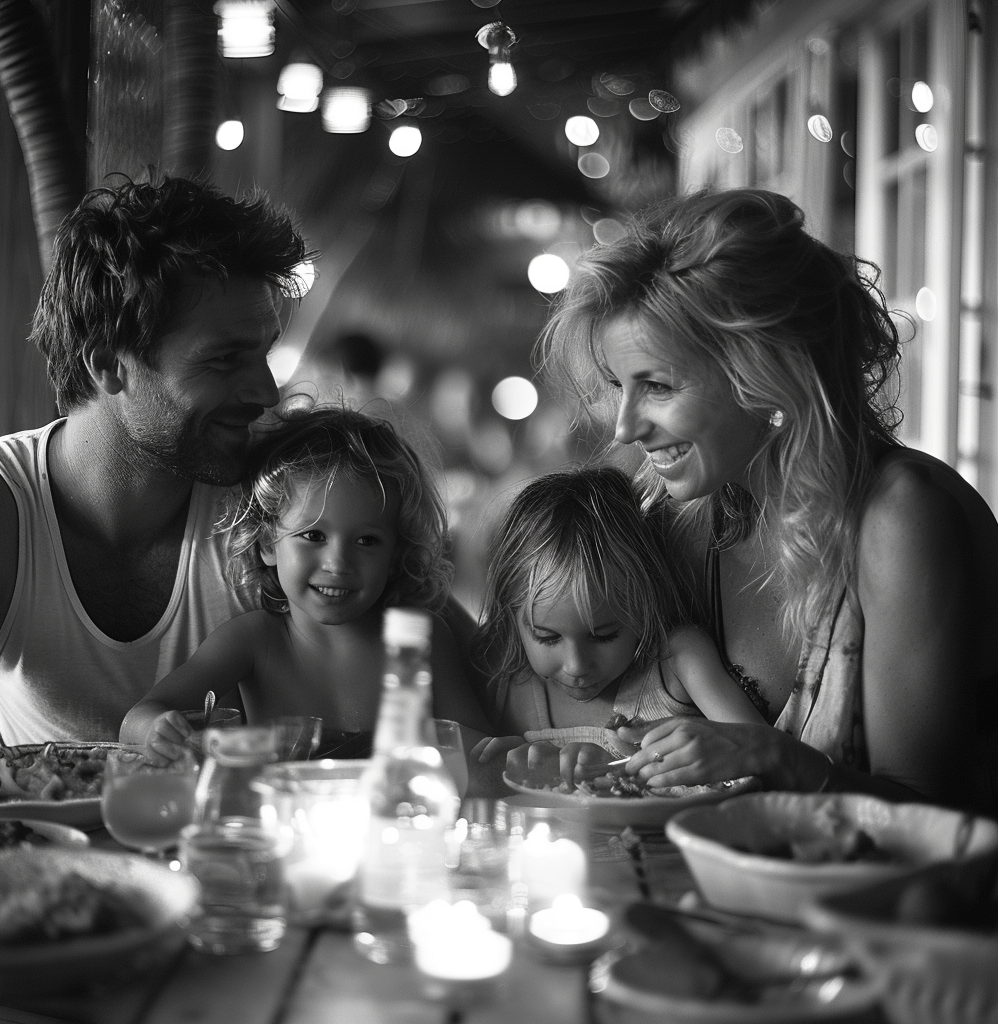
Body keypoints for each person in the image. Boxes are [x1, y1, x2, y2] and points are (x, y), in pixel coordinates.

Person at [535, 187, 998, 815]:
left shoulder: (902, 519)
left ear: (764, 369)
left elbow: (933, 817)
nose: (623, 428)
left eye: (658, 386)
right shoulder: (682, 515)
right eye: (619, 385)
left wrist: (771, 757)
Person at [0, 175, 311, 744]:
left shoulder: (284, 495)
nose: (267, 392)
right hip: (31, 832)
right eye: (226, 359)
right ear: (109, 365)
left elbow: (447, 647)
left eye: (264, 352)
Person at [121, 404, 492, 761]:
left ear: (396, 555)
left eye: (367, 541)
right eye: (313, 536)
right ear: (267, 543)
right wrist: (157, 728)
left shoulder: (418, 639)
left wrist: (504, 754)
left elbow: (474, 751)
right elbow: (139, 719)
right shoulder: (254, 641)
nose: (338, 563)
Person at [469, 466, 765, 785]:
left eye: (604, 636)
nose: (576, 665)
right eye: (547, 638)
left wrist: (614, 769)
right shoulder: (513, 686)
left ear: (645, 603)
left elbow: (762, 761)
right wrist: (508, 766)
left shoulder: (676, 663)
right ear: (512, 615)